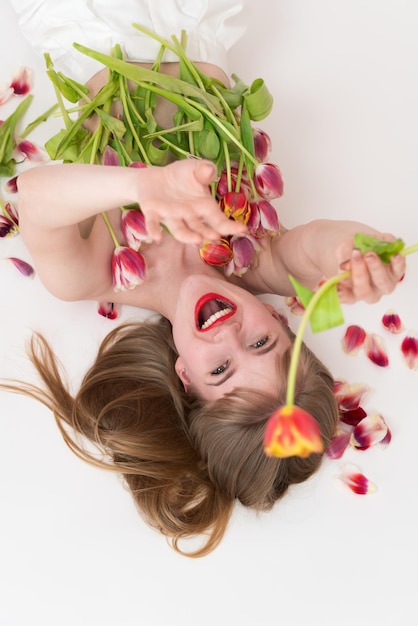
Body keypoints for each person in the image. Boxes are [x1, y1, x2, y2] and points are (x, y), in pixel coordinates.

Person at [4, 0, 406, 557]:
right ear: (284, 319)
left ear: (185, 377)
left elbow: (36, 198)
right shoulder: (255, 257)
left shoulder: (101, 275)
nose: (230, 335)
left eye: (221, 369)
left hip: (87, 19)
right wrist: (352, 255)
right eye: (262, 342)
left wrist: (140, 189)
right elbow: (317, 247)